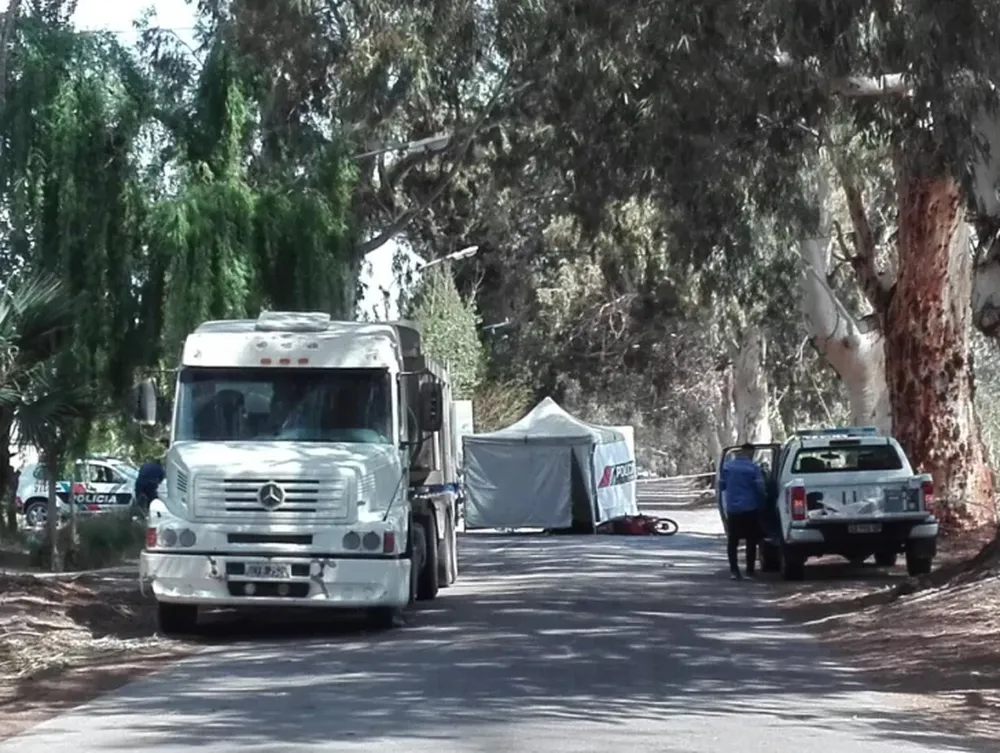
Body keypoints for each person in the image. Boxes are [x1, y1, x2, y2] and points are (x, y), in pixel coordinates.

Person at [719, 443, 766, 580]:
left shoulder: (727, 467)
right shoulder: (753, 468)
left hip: (733, 508)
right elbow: (760, 487)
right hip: (750, 507)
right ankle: (750, 571)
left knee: (733, 541)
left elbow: (721, 486)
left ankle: (734, 571)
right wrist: (764, 500)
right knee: (751, 540)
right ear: (750, 452)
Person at [135, 441, 168, 513]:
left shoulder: (146, 464)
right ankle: (150, 512)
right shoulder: (159, 468)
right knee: (153, 500)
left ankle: (139, 511)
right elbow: (161, 479)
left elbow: (140, 473)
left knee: (139, 500)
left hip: (140, 484)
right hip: (150, 485)